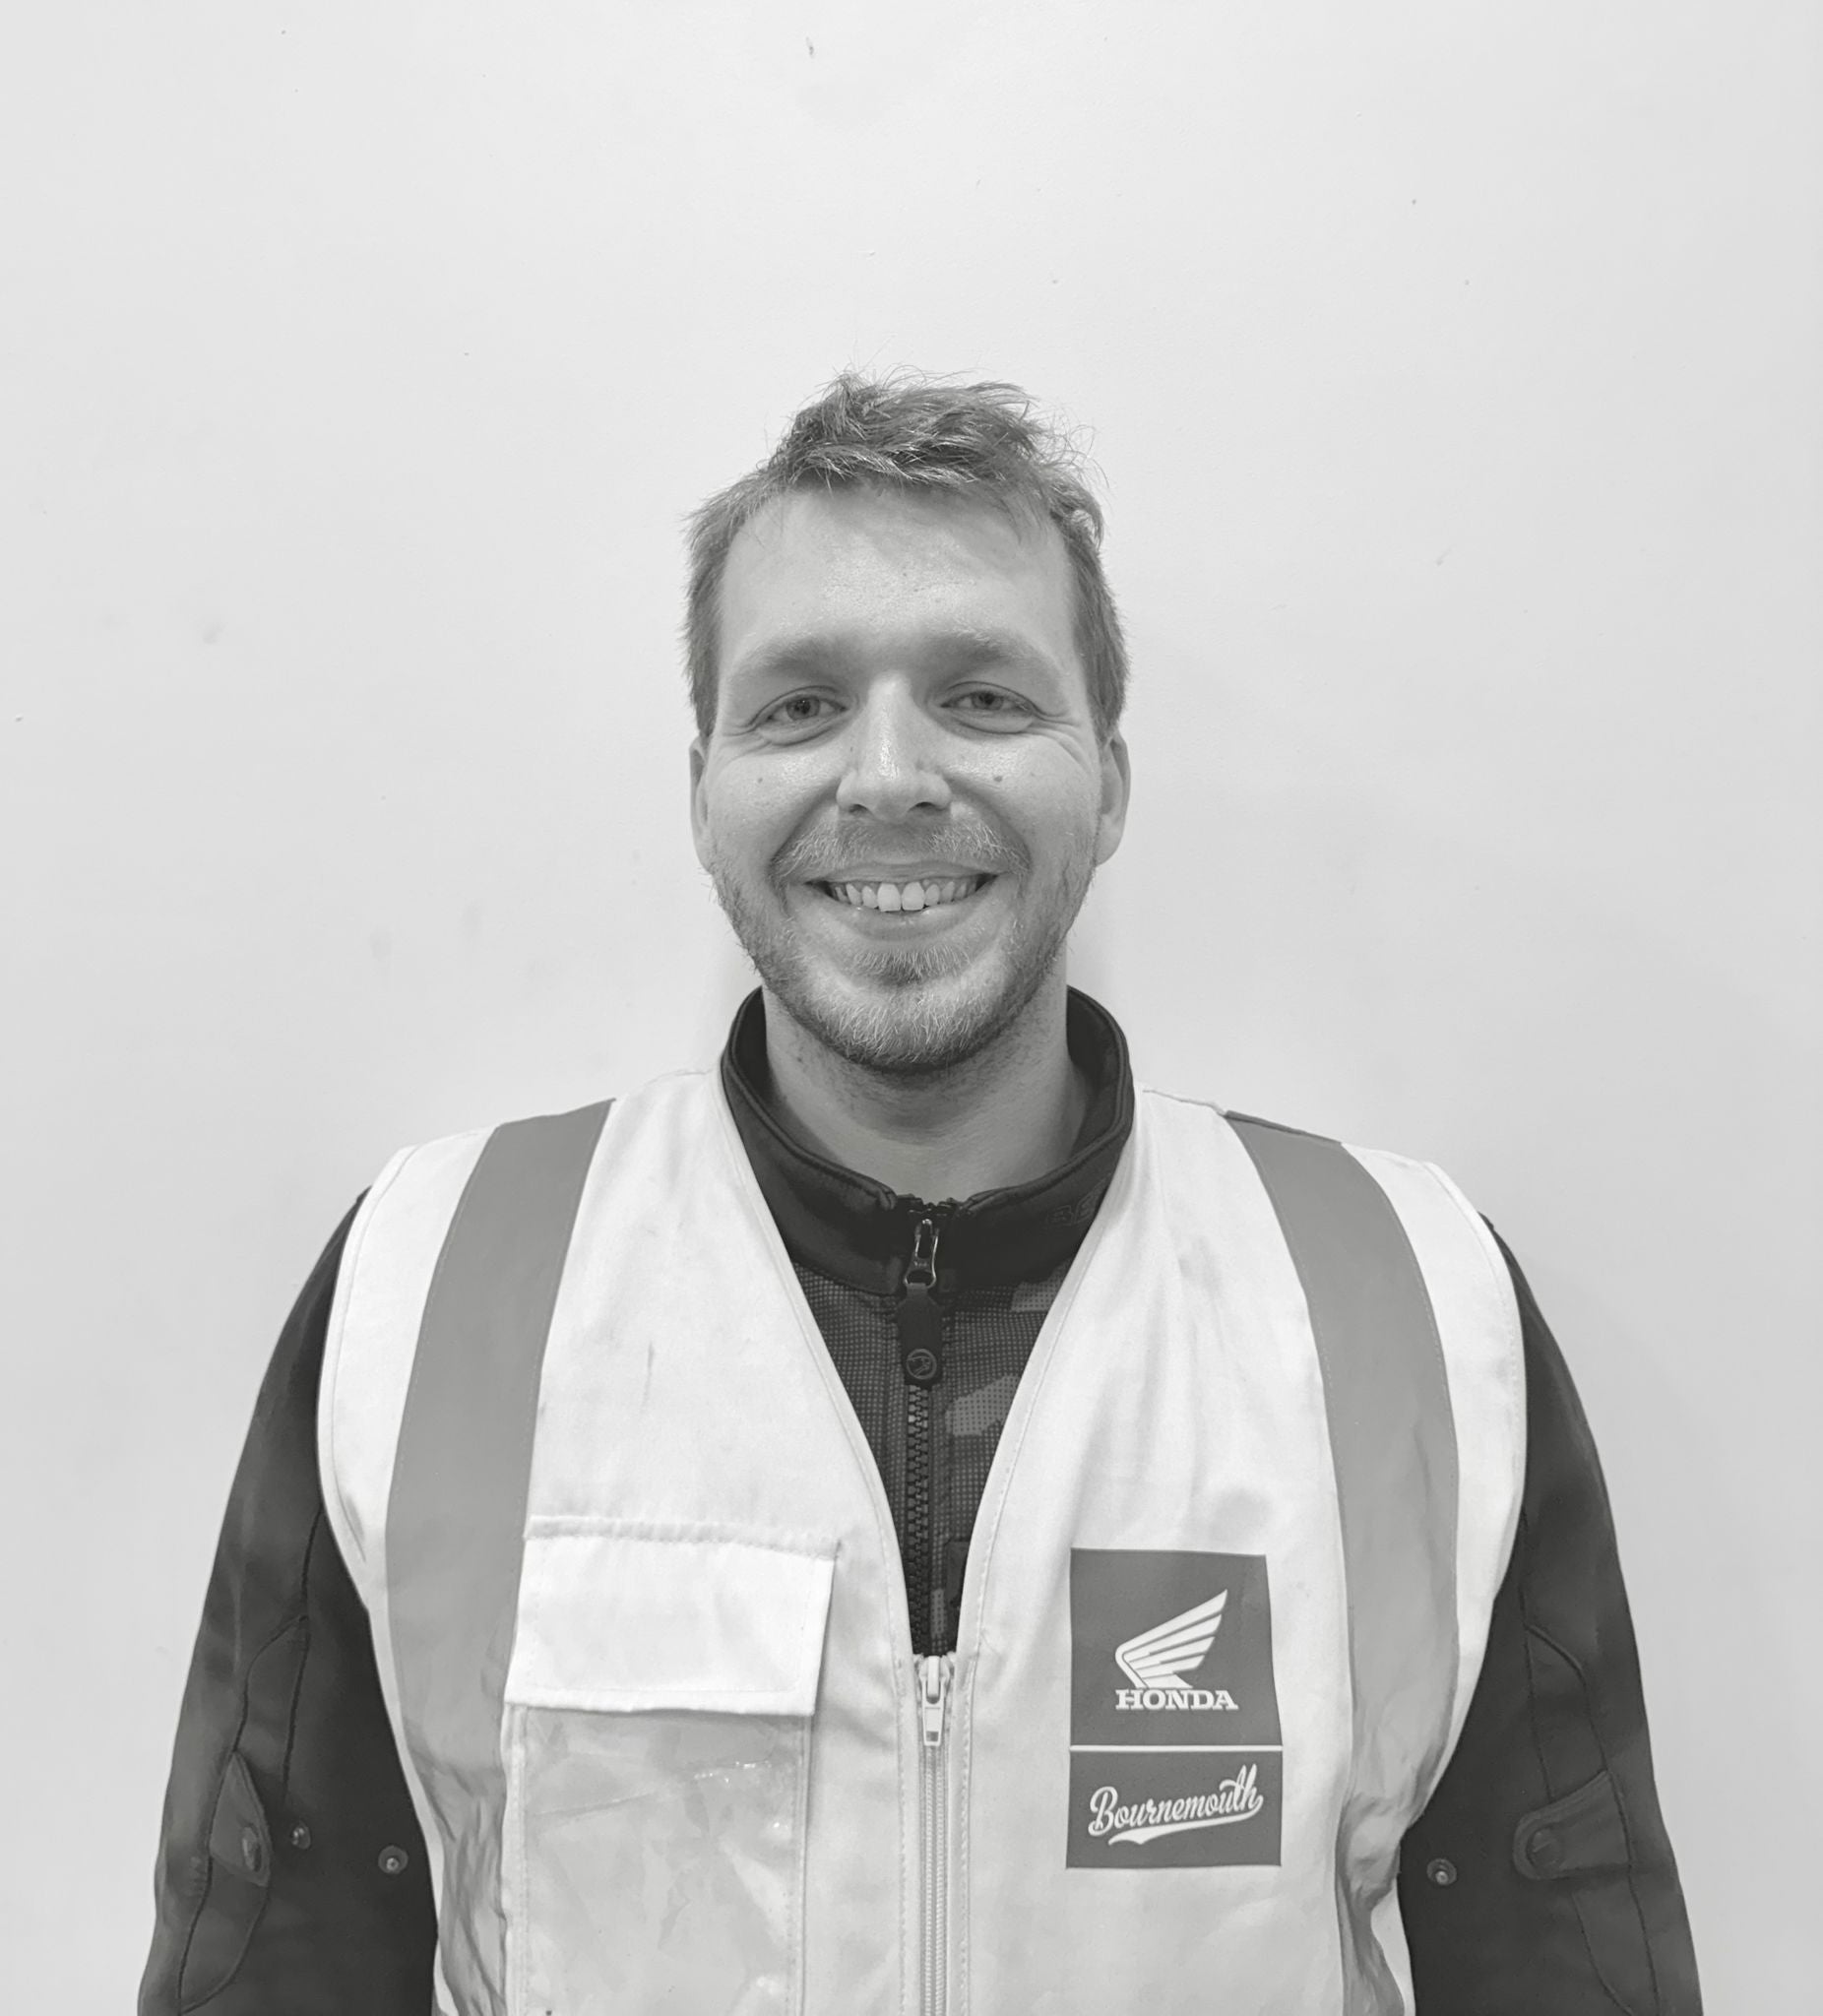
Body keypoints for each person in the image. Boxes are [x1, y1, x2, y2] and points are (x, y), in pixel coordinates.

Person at [141, 373, 1701, 2014]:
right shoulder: (433, 1288)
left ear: (1109, 780)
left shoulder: (1407, 1304)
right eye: (800, 706)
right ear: (703, 792)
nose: (888, 776)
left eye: (982, 697)